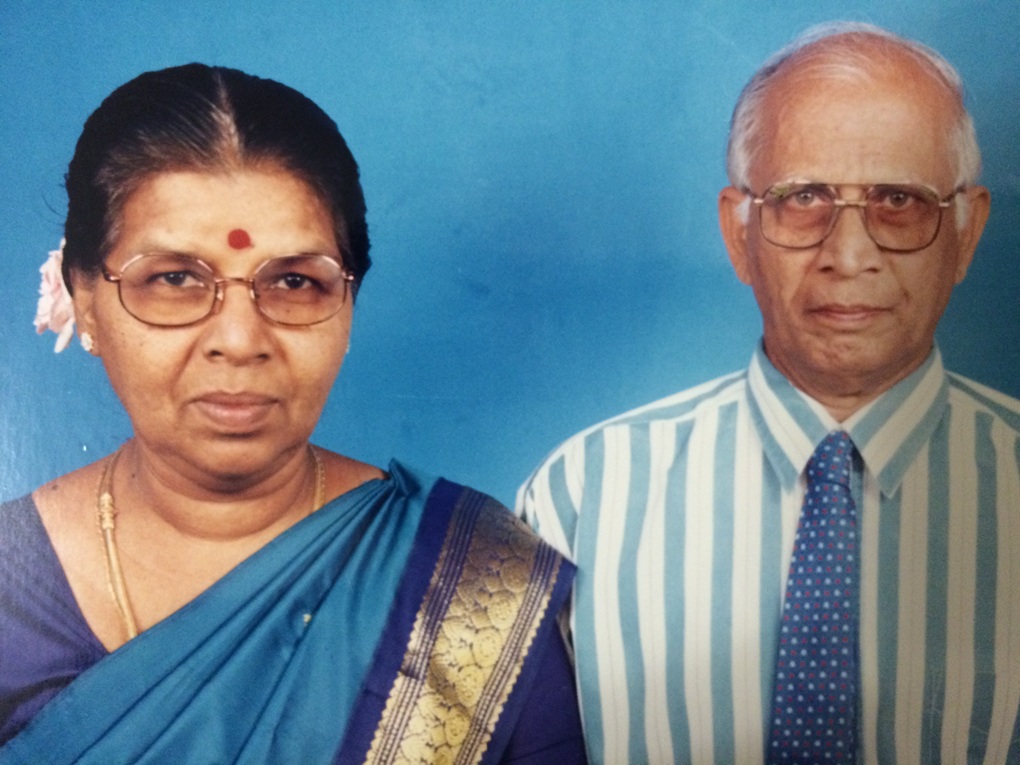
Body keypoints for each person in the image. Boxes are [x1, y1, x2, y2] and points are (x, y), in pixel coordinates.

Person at [1, 64, 586, 764]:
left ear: (348, 304)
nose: (240, 340)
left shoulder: (470, 578)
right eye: (175, 277)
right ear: (85, 299)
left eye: (294, 281)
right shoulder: (9, 587)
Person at [518, 22, 1019, 765]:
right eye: (803, 198)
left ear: (967, 233)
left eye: (898, 200)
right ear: (738, 232)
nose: (848, 255)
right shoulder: (582, 498)